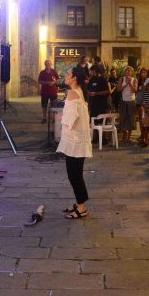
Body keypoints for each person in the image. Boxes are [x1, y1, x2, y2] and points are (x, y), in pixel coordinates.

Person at [57, 67, 93, 220]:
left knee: (74, 176)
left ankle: (82, 208)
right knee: (76, 174)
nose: (66, 76)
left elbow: (70, 119)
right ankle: (80, 203)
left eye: (69, 74)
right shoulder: (80, 92)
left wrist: (61, 118)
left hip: (75, 141)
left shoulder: (73, 93)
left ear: (74, 78)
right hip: (79, 140)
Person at [86, 66, 110, 141]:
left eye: (92, 71)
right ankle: (95, 137)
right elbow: (88, 89)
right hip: (93, 104)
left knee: (102, 121)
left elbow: (108, 91)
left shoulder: (103, 80)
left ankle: (103, 138)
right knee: (94, 121)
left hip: (102, 104)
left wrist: (96, 93)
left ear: (96, 71)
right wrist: (89, 93)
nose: (91, 73)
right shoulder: (91, 80)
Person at [116, 66, 137, 143]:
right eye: (126, 71)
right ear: (124, 72)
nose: (128, 72)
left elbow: (135, 90)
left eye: (129, 71)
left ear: (131, 72)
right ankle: (124, 135)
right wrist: (126, 84)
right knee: (123, 117)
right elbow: (118, 89)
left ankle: (129, 136)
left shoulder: (134, 80)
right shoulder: (122, 79)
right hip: (124, 101)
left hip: (131, 100)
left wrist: (130, 84)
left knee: (131, 118)